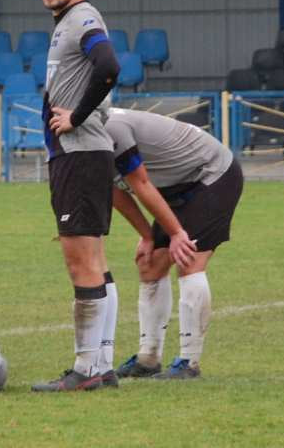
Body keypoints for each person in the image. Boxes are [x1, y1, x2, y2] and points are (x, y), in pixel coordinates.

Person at [29, 0, 121, 393]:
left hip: (80, 154)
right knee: (95, 259)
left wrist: (77, 117)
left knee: (80, 259)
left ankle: (86, 369)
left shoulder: (83, 18)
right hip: (79, 156)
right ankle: (101, 365)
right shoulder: (66, 23)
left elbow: (109, 66)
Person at [103, 108, 242, 380]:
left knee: (188, 260)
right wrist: (147, 236)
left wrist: (177, 233)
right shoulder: (84, 140)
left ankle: (189, 363)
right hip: (174, 186)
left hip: (211, 175)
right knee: (150, 263)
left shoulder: (112, 128)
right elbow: (114, 192)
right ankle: (148, 358)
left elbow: (140, 183)